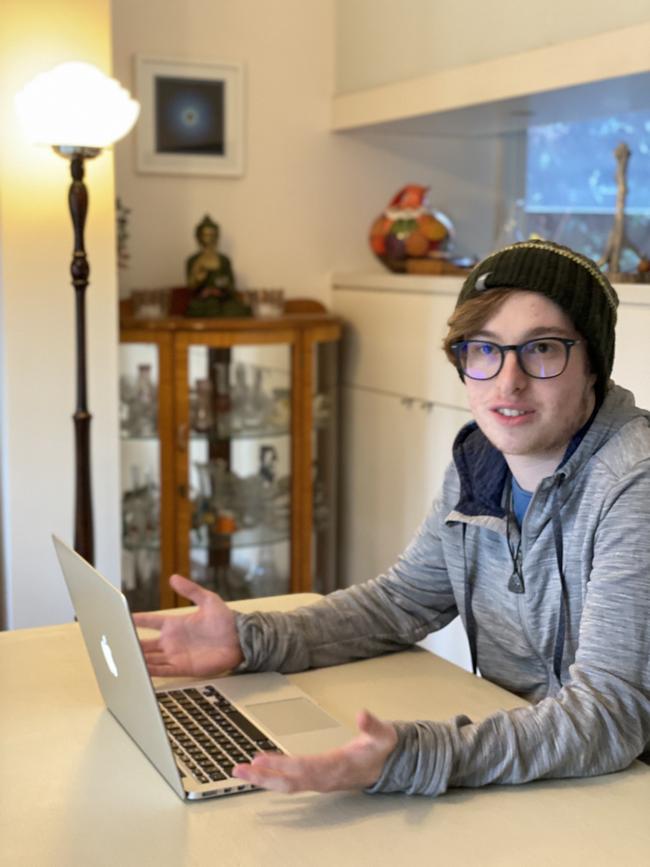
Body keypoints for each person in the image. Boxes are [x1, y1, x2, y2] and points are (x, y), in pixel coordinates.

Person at [134, 239, 650, 797]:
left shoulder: (633, 482)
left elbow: (609, 715)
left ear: (594, 363)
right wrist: (250, 640)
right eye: (484, 349)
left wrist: (411, 758)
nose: (508, 381)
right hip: (535, 778)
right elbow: (401, 602)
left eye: (543, 349)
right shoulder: (482, 459)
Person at [185, 215, 250, 317]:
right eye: (205, 235)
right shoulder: (193, 260)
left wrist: (221, 288)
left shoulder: (224, 260)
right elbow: (190, 287)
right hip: (202, 302)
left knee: (239, 309)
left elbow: (231, 285)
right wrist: (198, 279)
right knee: (197, 309)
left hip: (222, 300)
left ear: (216, 236)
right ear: (199, 236)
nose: (209, 238)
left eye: (212, 235)